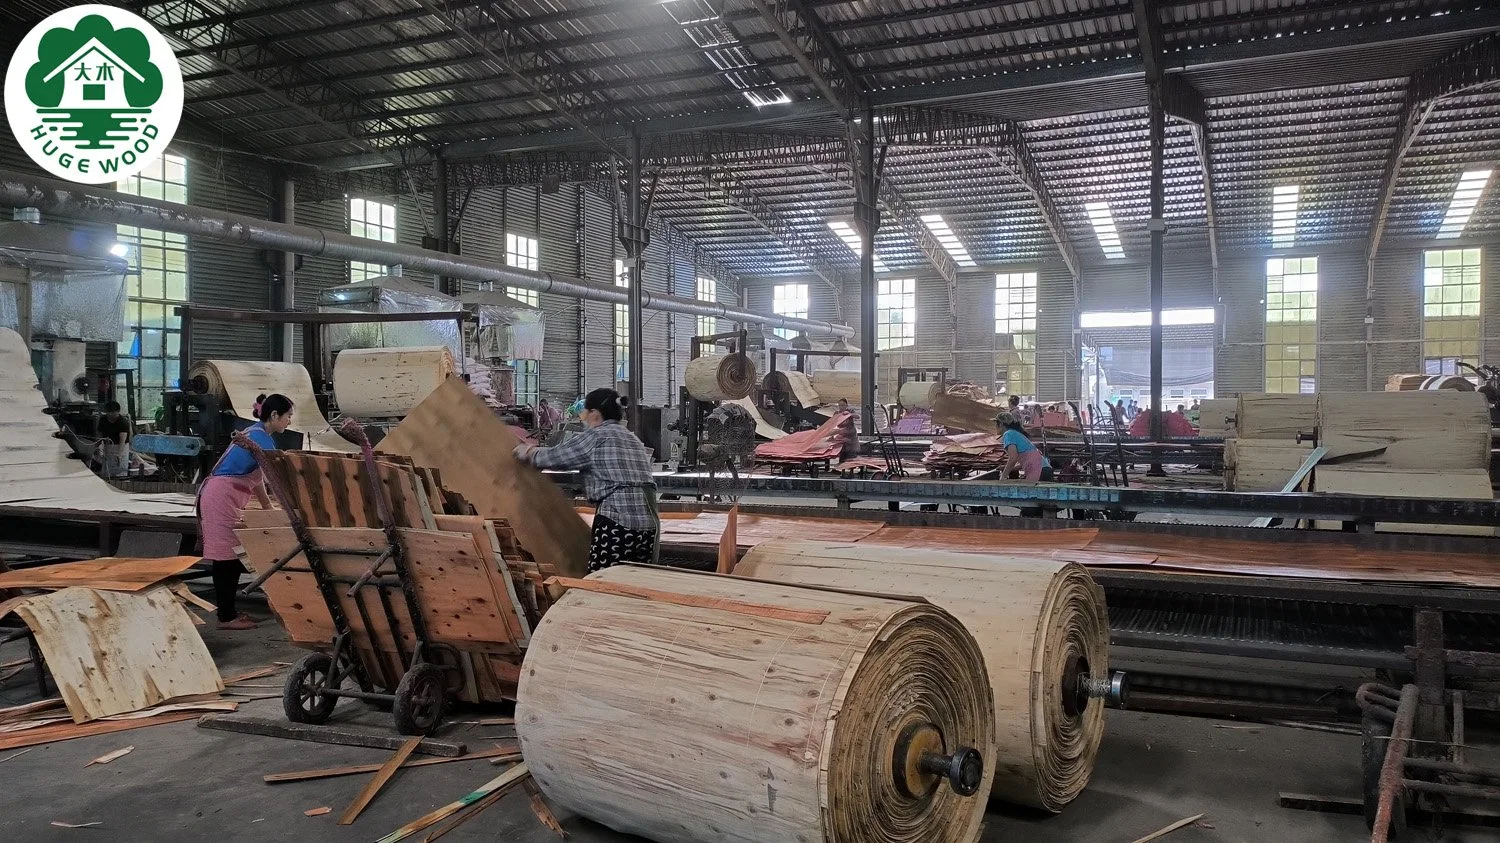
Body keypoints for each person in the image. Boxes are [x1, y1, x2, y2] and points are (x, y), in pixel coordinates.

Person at [513, 388, 658, 571]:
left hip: (618, 522)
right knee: (635, 582)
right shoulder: (632, 439)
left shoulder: (597, 436)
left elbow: (556, 457)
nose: (585, 419)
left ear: (595, 415)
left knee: (604, 582)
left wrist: (528, 452)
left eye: (585, 414)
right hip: (648, 526)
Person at [198, 393, 294, 630]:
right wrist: (290, 507)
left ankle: (228, 611)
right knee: (226, 557)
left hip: (223, 495)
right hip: (221, 497)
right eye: (288, 416)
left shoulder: (256, 434)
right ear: (274, 415)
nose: (290, 422)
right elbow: (275, 477)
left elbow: (258, 478)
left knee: (230, 556)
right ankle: (226, 617)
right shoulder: (261, 439)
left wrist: (267, 507)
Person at [996, 411, 1053, 481]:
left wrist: (1003, 476)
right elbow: (1024, 462)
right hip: (1045, 469)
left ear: (1001, 424)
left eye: (996, 424)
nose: (995, 426)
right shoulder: (1015, 433)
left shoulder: (1008, 434)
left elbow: (1013, 458)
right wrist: (1006, 468)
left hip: (1039, 470)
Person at [97, 400, 132, 479]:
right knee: (107, 470)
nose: (111, 415)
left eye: (114, 413)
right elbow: (99, 435)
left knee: (120, 469)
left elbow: (122, 440)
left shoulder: (123, 422)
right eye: (109, 412)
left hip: (121, 447)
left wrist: (119, 454)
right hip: (108, 447)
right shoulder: (103, 420)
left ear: (118, 412)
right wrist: (97, 447)